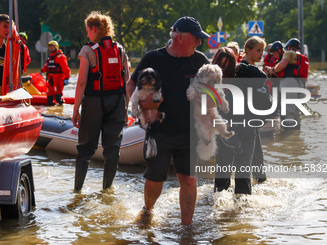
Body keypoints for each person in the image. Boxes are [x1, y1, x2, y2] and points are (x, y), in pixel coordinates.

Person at [126, 16, 210, 225]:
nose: (199, 42)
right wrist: (142, 106)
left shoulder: (199, 60)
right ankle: (147, 210)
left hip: (189, 131)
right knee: (155, 179)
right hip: (159, 131)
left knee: (189, 179)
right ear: (180, 37)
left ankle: (186, 227)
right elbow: (131, 84)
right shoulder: (153, 58)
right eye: (196, 38)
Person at [72, 11, 130, 192]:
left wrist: (75, 109)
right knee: (112, 149)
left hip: (94, 103)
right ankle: (107, 190)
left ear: (94, 29)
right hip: (117, 102)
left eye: (88, 30)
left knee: (85, 149)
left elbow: (81, 82)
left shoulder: (87, 50)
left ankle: (77, 191)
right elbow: (126, 80)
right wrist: (126, 107)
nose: (87, 33)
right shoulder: (119, 49)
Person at [232, 36, 268, 195]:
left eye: (262, 50)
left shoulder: (240, 69)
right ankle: (243, 200)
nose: (261, 54)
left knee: (255, 155)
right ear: (247, 50)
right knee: (244, 161)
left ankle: (260, 182)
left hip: (248, 120)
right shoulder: (245, 70)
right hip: (244, 120)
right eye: (258, 50)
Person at [211, 47, 239, 192]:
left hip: (231, 127)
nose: (224, 70)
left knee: (226, 163)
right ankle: (217, 196)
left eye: (228, 66)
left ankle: (222, 197)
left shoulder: (236, 79)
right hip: (214, 125)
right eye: (221, 65)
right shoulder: (207, 77)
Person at [266, 39, 309, 129]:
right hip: (301, 85)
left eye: (274, 53)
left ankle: (287, 135)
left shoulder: (288, 53)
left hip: (290, 84)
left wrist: (272, 70)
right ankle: (296, 136)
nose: (274, 56)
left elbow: (282, 65)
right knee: (296, 111)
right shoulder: (301, 57)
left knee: (288, 110)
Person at [41, 40, 71, 105]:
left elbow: (65, 68)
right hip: (50, 79)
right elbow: (47, 66)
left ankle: (61, 109)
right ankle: (51, 111)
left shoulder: (61, 57)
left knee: (58, 97)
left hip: (58, 79)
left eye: (53, 46)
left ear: (56, 47)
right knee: (49, 98)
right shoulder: (50, 57)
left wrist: (67, 78)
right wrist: (41, 71)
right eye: (50, 47)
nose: (51, 48)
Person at [0, 14, 9, 90]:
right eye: (5, 26)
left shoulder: (7, 50)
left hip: (2, 90)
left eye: (9, 28)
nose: (7, 30)